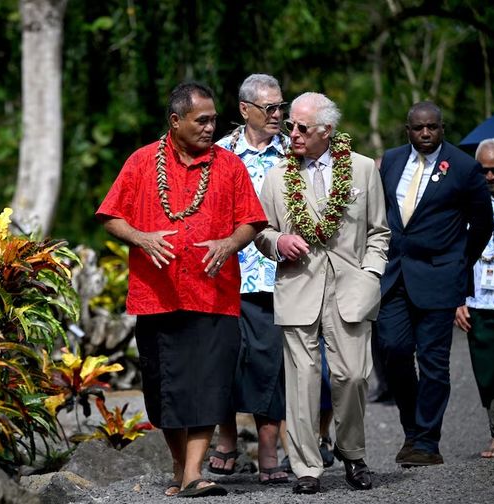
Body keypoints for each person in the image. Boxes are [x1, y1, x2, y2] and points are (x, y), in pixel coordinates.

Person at [96, 81, 266, 498]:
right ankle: (179, 467)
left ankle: (194, 473)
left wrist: (229, 244)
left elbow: (252, 221)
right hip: (158, 297)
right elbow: (110, 216)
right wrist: (140, 237)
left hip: (215, 297)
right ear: (175, 121)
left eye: (213, 120)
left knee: (209, 385)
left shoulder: (229, 166)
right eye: (202, 120)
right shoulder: (140, 162)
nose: (211, 128)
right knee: (164, 388)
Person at [255, 92, 390, 494]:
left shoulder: (363, 169)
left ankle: (352, 453)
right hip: (298, 287)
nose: (291, 132)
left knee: (352, 376)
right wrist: (278, 241)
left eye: (301, 127)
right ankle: (307, 468)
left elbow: (380, 231)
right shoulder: (278, 175)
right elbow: (259, 230)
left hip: (352, 289)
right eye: (290, 125)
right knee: (302, 381)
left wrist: (370, 274)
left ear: (327, 131)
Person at [377, 101, 494, 467]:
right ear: (407, 129)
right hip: (394, 274)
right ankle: (413, 428)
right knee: (392, 351)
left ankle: (426, 442)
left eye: (432, 127)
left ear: (442, 128)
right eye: (418, 128)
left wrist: (460, 263)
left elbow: (483, 223)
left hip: (440, 277)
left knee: (432, 362)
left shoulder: (462, 166)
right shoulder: (393, 161)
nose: (425, 134)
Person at [207, 74, 290, 484]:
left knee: (267, 362)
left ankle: (269, 448)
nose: (278, 115)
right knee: (222, 360)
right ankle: (226, 439)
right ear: (245, 109)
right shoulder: (219, 154)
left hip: (278, 277)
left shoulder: (293, 154)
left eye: (281, 107)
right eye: (269, 108)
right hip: (223, 275)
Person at [454, 137, 494, 459]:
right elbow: (453, 255)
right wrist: (458, 299)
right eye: (483, 170)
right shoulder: (462, 204)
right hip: (478, 301)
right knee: (488, 374)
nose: (490, 177)